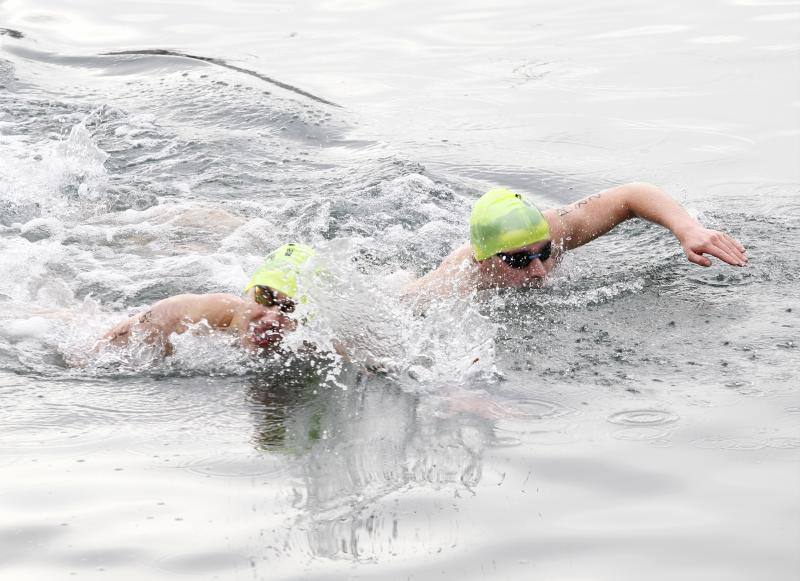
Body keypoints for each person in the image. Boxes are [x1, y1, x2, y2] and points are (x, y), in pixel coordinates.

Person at [403, 182, 747, 298]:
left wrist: (686, 228)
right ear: (483, 261)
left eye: (544, 253)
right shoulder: (453, 284)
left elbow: (631, 194)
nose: (538, 270)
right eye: (519, 261)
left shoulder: (555, 229)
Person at [97, 243, 315, 356]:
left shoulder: (316, 344)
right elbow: (109, 343)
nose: (271, 317)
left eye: (289, 308)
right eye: (264, 297)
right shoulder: (205, 312)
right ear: (249, 292)